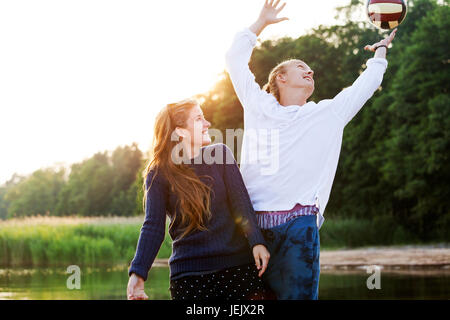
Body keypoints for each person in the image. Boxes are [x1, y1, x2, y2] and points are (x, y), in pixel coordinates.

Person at [225, 0, 397, 299]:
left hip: (299, 228)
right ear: (280, 77)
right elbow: (234, 59)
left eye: (310, 69)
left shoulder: (326, 114)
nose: (311, 71)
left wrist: (380, 52)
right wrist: (260, 23)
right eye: (301, 68)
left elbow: (366, 85)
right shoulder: (257, 104)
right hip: (252, 230)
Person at [126, 99, 271, 300]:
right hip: (189, 278)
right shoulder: (159, 173)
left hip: (236, 268)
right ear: (181, 132)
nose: (207, 124)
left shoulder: (220, 154)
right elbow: (153, 226)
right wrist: (138, 273)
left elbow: (242, 205)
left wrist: (257, 242)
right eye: (198, 119)